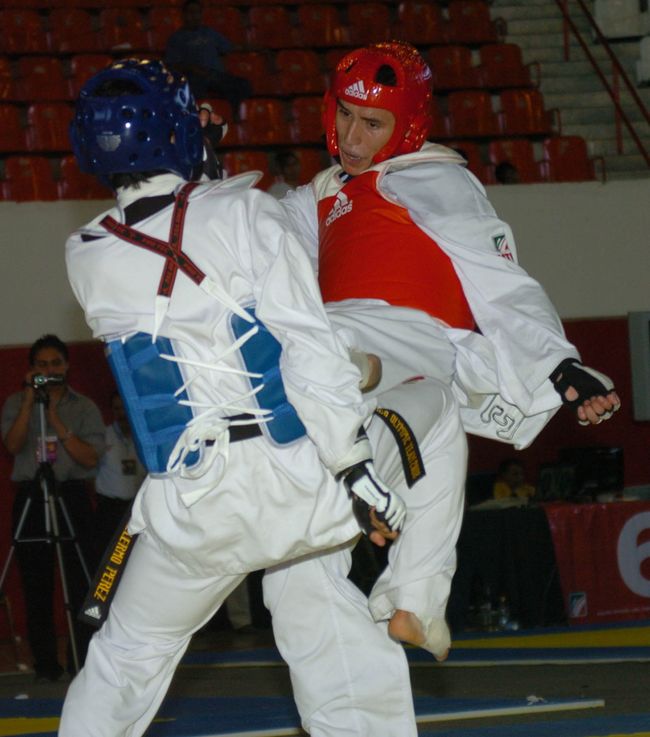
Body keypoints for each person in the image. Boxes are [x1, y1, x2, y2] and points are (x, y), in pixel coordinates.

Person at [59, 58, 424, 737]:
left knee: (124, 659)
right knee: (326, 614)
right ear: (177, 130)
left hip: (193, 502)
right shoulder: (246, 211)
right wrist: (354, 466)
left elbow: (167, 245)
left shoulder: (86, 255)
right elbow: (309, 349)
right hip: (294, 481)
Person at [279, 40, 620, 662]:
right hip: (388, 380)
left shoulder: (434, 177)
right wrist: (196, 162)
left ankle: (350, 369)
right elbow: (251, 236)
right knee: (439, 444)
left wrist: (558, 362)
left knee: (355, 341)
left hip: (407, 339)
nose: (352, 136)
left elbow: (500, 279)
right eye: (345, 114)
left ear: (408, 125)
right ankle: (417, 600)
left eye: (372, 123)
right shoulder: (319, 196)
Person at [1, 334, 105, 681]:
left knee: (82, 580)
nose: (50, 371)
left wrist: (55, 419)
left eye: (56, 364)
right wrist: (30, 403)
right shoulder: (16, 403)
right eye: (42, 365)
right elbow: (12, 445)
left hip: (71, 494)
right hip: (31, 494)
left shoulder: (84, 406)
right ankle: (45, 665)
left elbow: (90, 457)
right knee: (36, 583)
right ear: (32, 369)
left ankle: (83, 659)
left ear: (67, 365)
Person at [165, 0, 251, 116]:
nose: (195, 16)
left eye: (197, 13)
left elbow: (229, 47)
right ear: (184, 15)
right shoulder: (177, 38)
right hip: (195, 77)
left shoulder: (209, 32)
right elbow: (172, 64)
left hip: (216, 75)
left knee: (243, 85)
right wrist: (192, 68)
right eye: (191, 13)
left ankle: (235, 117)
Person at [92, 392, 146, 567]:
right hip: (109, 509)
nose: (121, 413)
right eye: (117, 409)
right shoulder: (103, 436)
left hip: (137, 508)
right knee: (108, 559)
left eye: (124, 408)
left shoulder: (143, 437)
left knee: (135, 559)